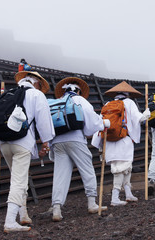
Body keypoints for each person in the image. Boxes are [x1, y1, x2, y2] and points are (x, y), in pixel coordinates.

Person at [0, 71, 55, 232]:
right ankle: (10, 221)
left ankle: (23, 215)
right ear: (37, 83)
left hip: (3, 142)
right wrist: (46, 143)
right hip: (22, 142)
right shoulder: (36, 95)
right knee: (19, 181)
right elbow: (43, 121)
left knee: (18, 178)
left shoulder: (7, 94)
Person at [50, 77, 110, 221]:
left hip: (57, 141)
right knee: (87, 170)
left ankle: (56, 209)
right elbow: (91, 124)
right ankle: (92, 203)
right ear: (78, 90)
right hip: (75, 139)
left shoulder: (56, 102)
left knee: (60, 175)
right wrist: (103, 124)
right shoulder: (80, 100)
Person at [92, 81, 150, 206]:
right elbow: (138, 118)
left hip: (110, 140)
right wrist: (146, 114)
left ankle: (128, 193)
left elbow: (100, 122)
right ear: (128, 94)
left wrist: (100, 144)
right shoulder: (129, 103)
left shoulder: (108, 104)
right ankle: (115, 198)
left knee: (126, 167)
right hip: (124, 139)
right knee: (120, 169)